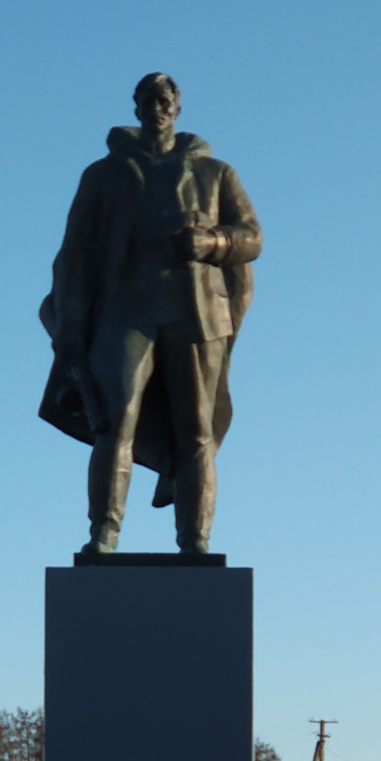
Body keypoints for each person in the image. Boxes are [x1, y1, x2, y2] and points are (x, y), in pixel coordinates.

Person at [38, 73, 262, 555]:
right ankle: (104, 534)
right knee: (114, 422)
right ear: (136, 108)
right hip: (126, 312)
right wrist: (72, 324)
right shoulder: (102, 175)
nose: (156, 107)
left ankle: (195, 542)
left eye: (165, 99)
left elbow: (251, 238)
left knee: (197, 431)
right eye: (147, 100)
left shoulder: (216, 172)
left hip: (197, 315)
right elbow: (77, 253)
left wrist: (212, 242)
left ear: (178, 107)